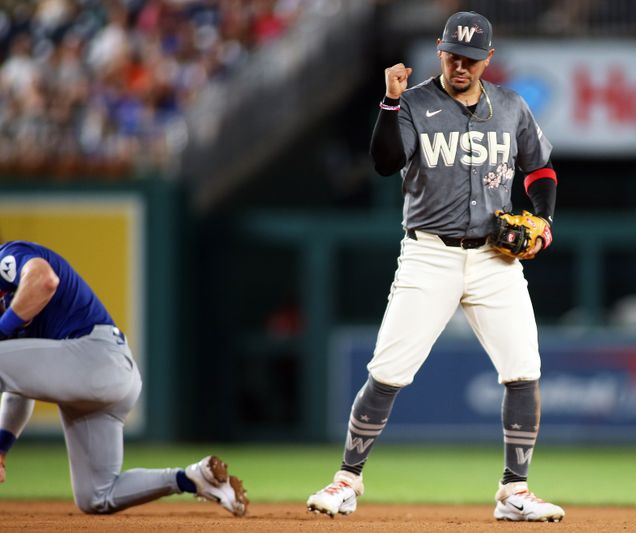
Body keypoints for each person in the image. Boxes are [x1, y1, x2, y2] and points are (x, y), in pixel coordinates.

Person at [307, 11, 564, 523]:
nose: (460, 64)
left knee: (524, 371)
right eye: (452, 54)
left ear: (488, 59)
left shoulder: (511, 107)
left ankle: (514, 491)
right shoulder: (414, 102)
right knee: (387, 372)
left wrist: (544, 218)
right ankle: (346, 479)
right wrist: (390, 101)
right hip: (430, 253)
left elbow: (539, 168)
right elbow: (384, 162)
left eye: (471, 57)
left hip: (495, 257)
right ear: (439, 49)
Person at [0, 240, 248, 516]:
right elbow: (17, 387)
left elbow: (44, 280)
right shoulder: (17, 321)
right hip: (110, 376)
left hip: (92, 358)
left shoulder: (8, 255)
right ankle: (194, 478)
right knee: (97, 496)